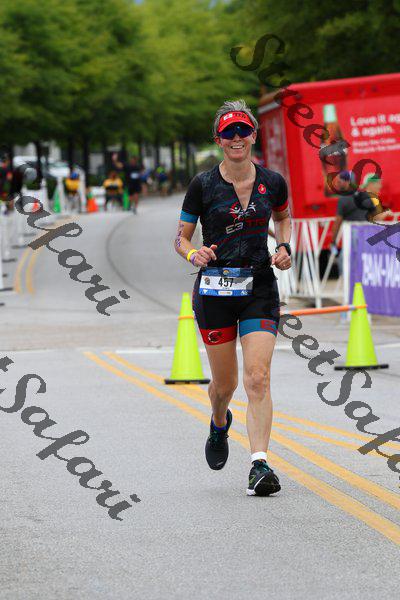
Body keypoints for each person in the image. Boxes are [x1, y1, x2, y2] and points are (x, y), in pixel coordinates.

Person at [173, 100, 292, 496]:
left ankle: (259, 464)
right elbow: (181, 238)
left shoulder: (273, 182)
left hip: (259, 287)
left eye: (243, 130)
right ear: (218, 140)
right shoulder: (203, 185)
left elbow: (283, 218)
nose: (237, 137)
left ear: (254, 135)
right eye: (229, 132)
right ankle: (219, 421)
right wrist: (194, 254)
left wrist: (284, 247)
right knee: (225, 385)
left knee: (258, 377)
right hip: (215, 292)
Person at [330, 171, 391, 255]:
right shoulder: (366, 196)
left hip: (352, 235)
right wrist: (386, 213)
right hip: (366, 234)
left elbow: (338, 222)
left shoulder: (343, 199)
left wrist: (333, 241)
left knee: (347, 259)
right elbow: (376, 217)